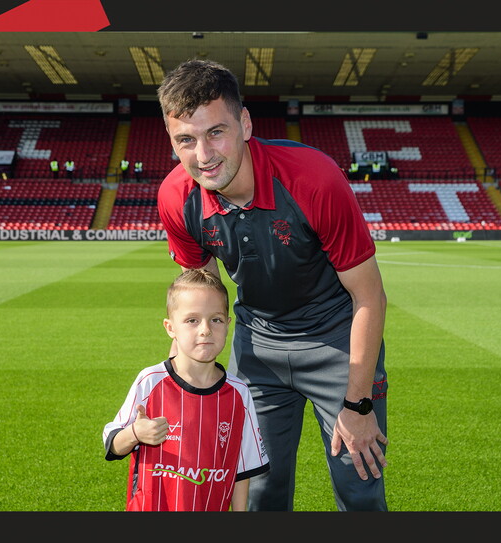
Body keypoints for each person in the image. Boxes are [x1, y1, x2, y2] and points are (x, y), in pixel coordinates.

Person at [156, 59, 388, 511]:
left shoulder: (312, 178)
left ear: (244, 123)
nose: (203, 155)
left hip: (336, 341)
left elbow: (369, 296)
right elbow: (199, 292)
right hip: (257, 347)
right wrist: (180, 381)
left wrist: (358, 406)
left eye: (216, 132)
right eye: (186, 140)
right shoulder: (175, 196)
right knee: (257, 490)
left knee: (359, 487)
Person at [101, 268, 269, 511]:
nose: (205, 330)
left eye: (216, 319)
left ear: (228, 324)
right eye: (192, 320)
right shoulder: (150, 381)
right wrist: (136, 433)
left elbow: (243, 470)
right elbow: (112, 443)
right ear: (170, 328)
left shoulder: (238, 394)